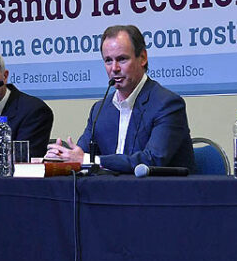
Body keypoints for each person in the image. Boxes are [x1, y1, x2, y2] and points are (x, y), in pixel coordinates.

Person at [45, 24, 195, 173]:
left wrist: (91, 160)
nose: (114, 68)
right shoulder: (100, 109)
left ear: (142, 58)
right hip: (111, 193)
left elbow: (152, 160)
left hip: (160, 193)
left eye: (122, 59)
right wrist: (63, 158)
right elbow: (81, 155)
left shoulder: (167, 104)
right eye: (108, 60)